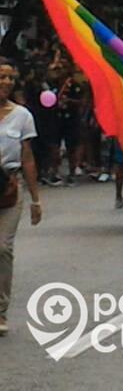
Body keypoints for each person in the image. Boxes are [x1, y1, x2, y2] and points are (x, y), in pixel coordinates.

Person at [0, 58, 43, 336]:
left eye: (10, 78)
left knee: (2, 248)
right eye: (1, 76)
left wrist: (36, 200)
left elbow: (27, 157)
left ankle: (1, 312)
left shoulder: (22, 115)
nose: (6, 82)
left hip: (9, 188)